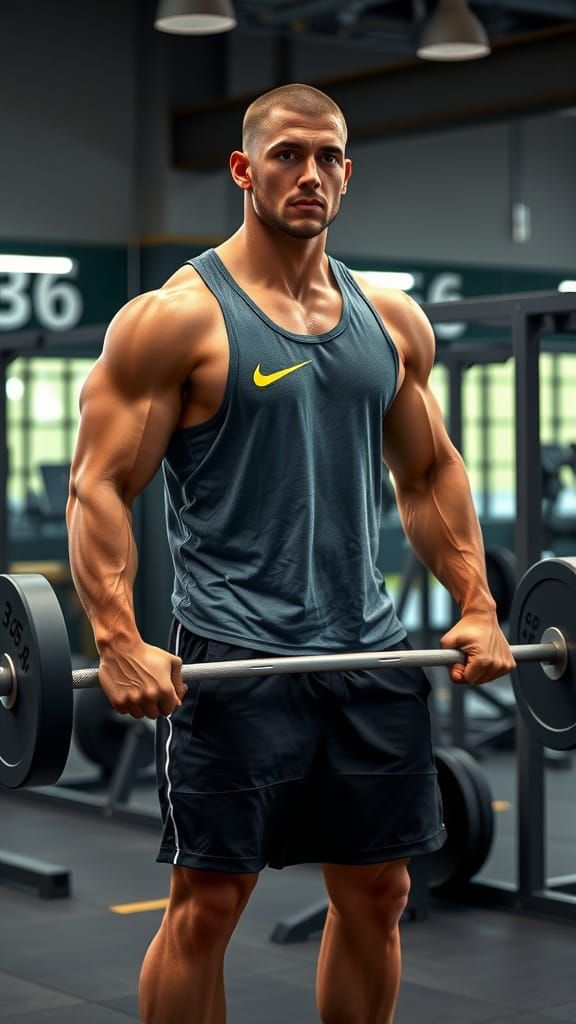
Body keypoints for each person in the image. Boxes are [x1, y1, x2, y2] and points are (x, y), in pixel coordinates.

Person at [67, 83, 515, 1024]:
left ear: (348, 176)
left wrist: (475, 602)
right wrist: (117, 637)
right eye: (286, 155)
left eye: (327, 158)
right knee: (208, 909)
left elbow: (430, 473)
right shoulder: (174, 319)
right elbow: (99, 485)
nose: (308, 174)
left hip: (369, 651)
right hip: (236, 657)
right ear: (244, 169)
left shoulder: (391, 322)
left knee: (379, 893)